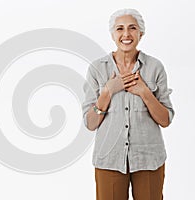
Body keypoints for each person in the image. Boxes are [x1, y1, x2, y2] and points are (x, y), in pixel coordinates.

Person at [82, 8, 174, 200]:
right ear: (112, 34)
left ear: (141, 32)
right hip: (109, 159)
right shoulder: (97, 69)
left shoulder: (155, 67)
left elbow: (165, 120)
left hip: (149, 158)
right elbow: (90, 124)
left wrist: (145, 92)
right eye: (120, 29)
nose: (126, 34)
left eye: (132, 28)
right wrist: (107, 91)